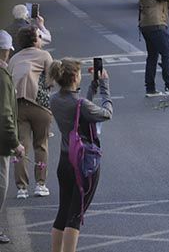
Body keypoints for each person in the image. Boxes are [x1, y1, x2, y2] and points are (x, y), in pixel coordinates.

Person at [48, 58, 111, 252]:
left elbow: (79, 110)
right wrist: (104, 87)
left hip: (65, 161)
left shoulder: (55, 99)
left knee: (64, 211)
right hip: (84, 163)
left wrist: (91, 89)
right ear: (75, 76)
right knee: (75, 215)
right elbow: (106, 113)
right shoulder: (80, 104)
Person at [10, 27, 53, 199]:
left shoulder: (14, 58)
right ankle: (40, 184)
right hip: (40, 106)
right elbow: (51, 80)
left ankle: (21, 188)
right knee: (41, 145)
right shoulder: (44, 55)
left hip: (18, 106)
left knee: (22, 146)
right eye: (39, 36)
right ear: (35, 40)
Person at [0, 31, 24, 245]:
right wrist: (15, 142)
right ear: (5, 51)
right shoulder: (3, 77)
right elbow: (5, 114)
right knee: (1, 184)